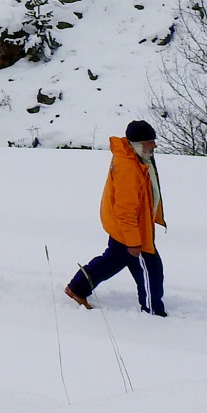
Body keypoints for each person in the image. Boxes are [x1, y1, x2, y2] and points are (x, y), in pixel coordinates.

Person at [65, 120, 169, 316]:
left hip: (129, 226)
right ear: (137, 143)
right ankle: (153, 311)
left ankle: (77, 288)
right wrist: (133, 241)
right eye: (150, 142)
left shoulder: (137, 158)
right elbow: (125, 209)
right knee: (150, 271)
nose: (154, 146)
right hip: (131, 229)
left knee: (113, 260)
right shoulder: (128, 168)